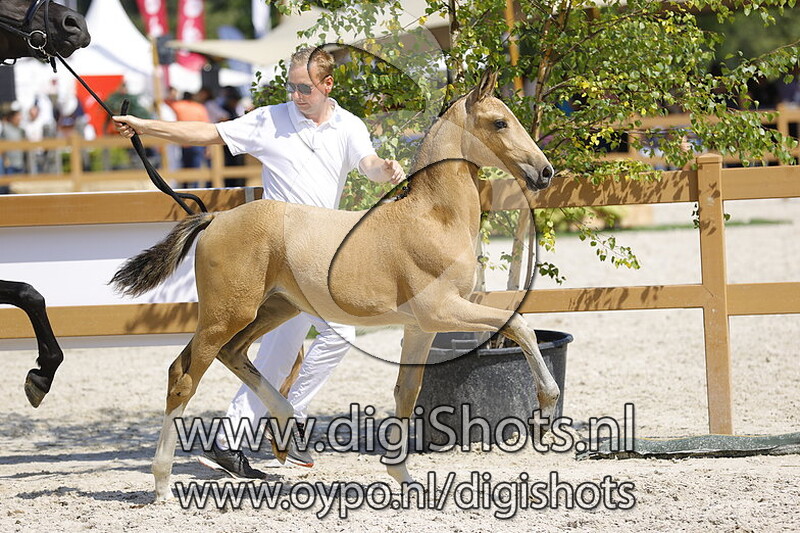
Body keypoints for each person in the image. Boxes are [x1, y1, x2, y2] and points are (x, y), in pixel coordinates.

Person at [113, 47, 404, 479]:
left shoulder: (348, 125)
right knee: (337, 332)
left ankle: (235, 439)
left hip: (321, 251)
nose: (296, 95)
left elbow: (368, 164)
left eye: (305, 88)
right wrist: (145, 126)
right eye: (291, 86)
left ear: (328, 85)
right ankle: (286, 418)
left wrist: (386, 169)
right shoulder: (270, 119)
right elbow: (206, 133)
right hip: (275, 255)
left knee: (282, 354)